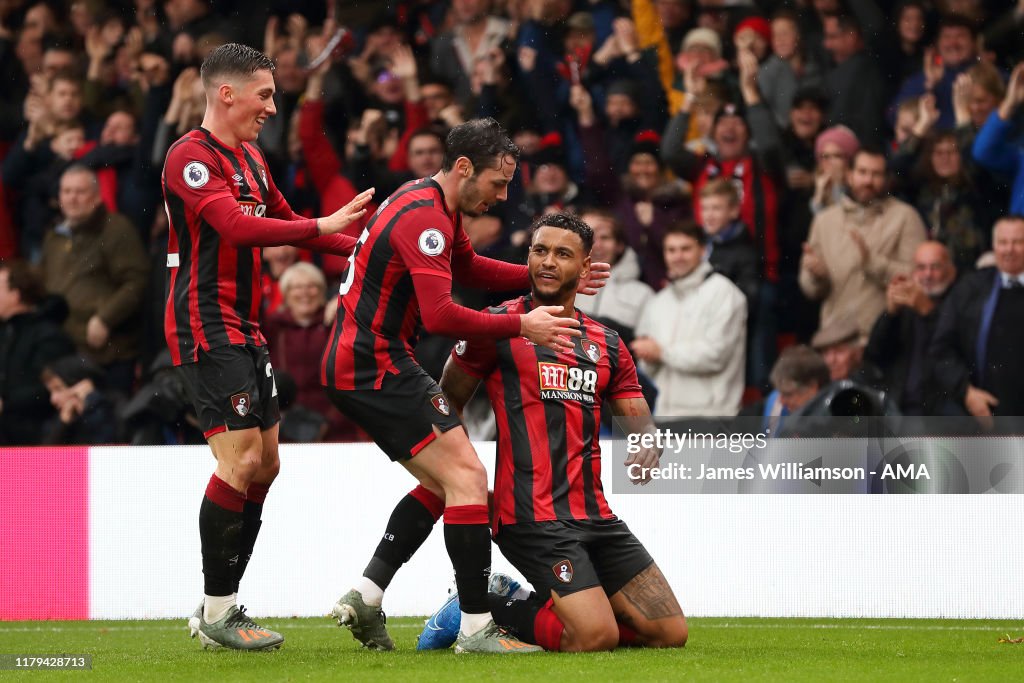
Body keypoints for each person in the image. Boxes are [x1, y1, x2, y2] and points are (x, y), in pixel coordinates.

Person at [321, 117, 608, 654]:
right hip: (373, 365)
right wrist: (523, 322)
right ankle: (477, 627)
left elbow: (470, 268)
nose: (502, 196)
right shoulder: (427, 218)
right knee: (470, 479)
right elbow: (441, 315)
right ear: (461, 168)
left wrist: (540, 278)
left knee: (448, 481)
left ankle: (367, 591)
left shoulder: (429, 203)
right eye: (498, 184)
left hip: (369, 360)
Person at [163, 43, 374, 652]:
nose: (272, 108)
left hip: (246, 325)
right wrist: (323, 226)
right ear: (226, 93)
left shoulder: (252, 157)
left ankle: (217, 607)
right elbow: (237, 227)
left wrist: (372, 247)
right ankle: (220, 611)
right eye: (265, 94)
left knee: (268, 466)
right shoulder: (189, 157)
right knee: (241, 462)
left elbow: (287, 220)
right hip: (205, 322)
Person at [421, 212, 687, 652]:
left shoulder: (607, 343)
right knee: (594, 637)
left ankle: (524, 600)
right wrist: (462, 473)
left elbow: (640, 420)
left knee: (669, 633)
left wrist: (648, 444)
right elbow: (447, 402)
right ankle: (482, 606)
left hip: (596, 515)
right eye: (539, 251)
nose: (547, 262)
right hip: (531, 516)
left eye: (563, 254)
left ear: (584, 269)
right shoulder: (498, 326)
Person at [39, 164, 148, 395]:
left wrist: (105, 318)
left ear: (97, 196)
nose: (72, 198)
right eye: (66, 192)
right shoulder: (55, 235)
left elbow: (136, 281)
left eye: (80, 191)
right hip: (66, 349)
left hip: (108, 353)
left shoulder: (116, 228)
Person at [799, 148, 927, 341]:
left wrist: (872, 263)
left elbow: (918, 280)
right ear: (849, 175)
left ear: (886, 179)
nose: (868, 181)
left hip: (884, 340)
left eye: (876, 174)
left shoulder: (906, 217)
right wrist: (817, 276)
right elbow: (809, 289)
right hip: (835, 341)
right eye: (862, 172)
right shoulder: (824, 220)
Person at [632, 221, 747, 417]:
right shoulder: (658, 301)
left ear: (702, 250)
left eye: (686, 249)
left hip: (711, 416)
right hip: (662, 414)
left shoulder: (725, 293)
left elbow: (715, 355)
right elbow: (647, 369)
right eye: (671, 250)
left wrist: (661, 353)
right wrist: (648, 357)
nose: (678, 257)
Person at [930, 216, 1024, 428]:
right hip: (982, 416)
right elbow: (941, 349)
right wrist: (966, 391)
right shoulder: (971, 287)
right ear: (994, 246)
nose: (1009, 250)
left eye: (1018, 242)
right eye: (1003, 242)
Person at [865, 241, 957, 415]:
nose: (927, 275)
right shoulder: (905, 308)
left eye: (935, 267)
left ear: (951, 271)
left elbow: (955, 349)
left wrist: (928, 311)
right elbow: (874, 354)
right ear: (913, 273)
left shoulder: (960, 301)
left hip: (942, 412)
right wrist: (891, 314)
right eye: (921, 268)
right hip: (900, 408)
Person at [0, 259, 75, 445]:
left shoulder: (48, 334)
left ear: (15, 295)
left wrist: (6, 403)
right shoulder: (6, 333)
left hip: (36, 440)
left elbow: (49, 388)